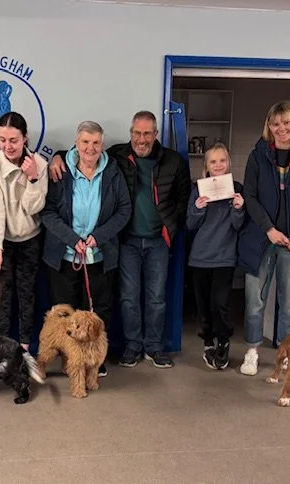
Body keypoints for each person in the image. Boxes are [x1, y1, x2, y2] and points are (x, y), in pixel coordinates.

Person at [50, 111, 191, 369]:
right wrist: (56, 156)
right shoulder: (118, 156)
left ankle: (154, 347)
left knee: (156, 298)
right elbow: (80, 153)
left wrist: (171, 226)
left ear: (156, 134)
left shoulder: (172, 161)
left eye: (147, 133)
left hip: (157, 242)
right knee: (128, 298)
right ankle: (132, 346)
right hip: (126, 241)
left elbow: (184, 198)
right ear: (130, 133)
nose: (141, 139)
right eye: (137, 133)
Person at [41, 121, 131, 378]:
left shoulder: (113, 171)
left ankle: (94, 360)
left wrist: (98, 237)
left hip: (100, 255)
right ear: (76, 143)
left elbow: (124, 210)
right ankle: (70, 360)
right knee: (66, 312)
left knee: (98, 311)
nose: (90, 148)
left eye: (96, 143)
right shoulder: (60, 170)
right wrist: (72, 239)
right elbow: (47, 211)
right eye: (85, 142)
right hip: (64, 255)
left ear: (102, 145)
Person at [238, 101, 290, 376]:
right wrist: (268, 229)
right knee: (255, 302)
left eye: (286, 122)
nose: (281, 128)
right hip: (261, 240)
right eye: (275, 124)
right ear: (269, 126)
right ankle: (251, 352)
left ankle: (288, 354)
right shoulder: (258, 155)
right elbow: (250, 196)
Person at [0, 111, 48, 371]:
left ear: (25, 138)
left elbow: (33, 208)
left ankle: (23, 354)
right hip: (4, 241)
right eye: (2, 140)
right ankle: (2, 355)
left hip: (31, 238)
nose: (7, 146)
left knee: (27, 296)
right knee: (3, 299)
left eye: (13, 140)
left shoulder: (39, 164)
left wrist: (32, 178)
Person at [186, 143, 244, 370]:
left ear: (228, 163)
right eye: (213, 161)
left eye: (222, 160)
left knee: (219, 303)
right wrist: (198, 207)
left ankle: (224, 340)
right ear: (206, 166)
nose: (218, 165)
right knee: (202, 305)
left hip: (224, 257)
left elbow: (238, 226)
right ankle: (208, 341)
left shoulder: (236, 189)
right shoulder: (198, 189)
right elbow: (190, 224)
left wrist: (238, 209)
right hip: (200, 257)